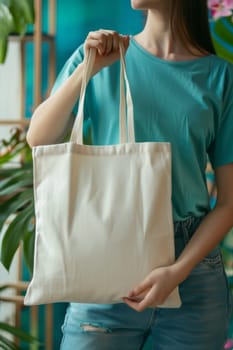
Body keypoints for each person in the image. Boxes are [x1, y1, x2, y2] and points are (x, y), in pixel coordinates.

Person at [26, 0, 233, 349]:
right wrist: (86, 70)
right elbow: (39, 138)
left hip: (192, 275)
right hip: (106, 257)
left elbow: (228, 203)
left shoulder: (220, 77)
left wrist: (176, 272)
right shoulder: (99, 54)